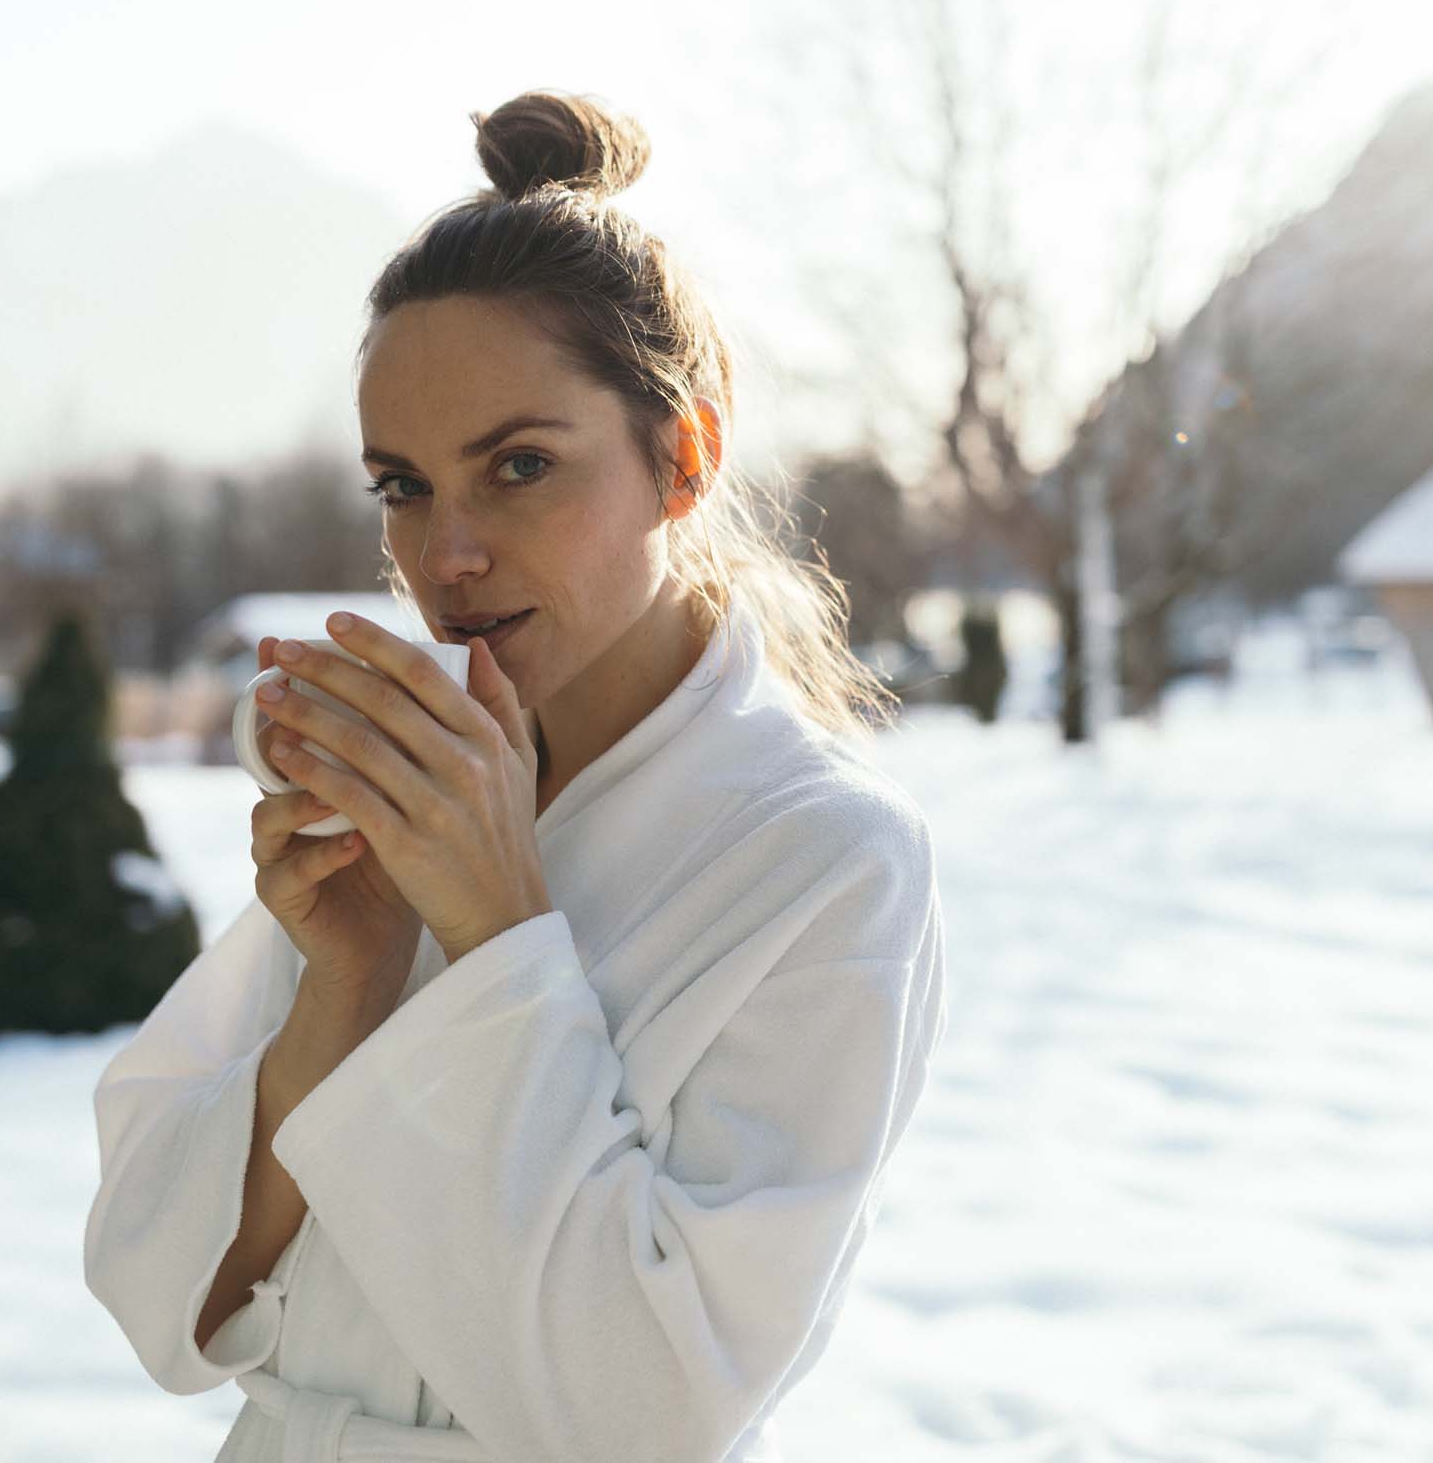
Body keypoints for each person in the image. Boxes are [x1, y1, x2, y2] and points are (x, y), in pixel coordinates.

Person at [82, 91, 947, 1463]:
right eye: (402, 486)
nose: (446, 555)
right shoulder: (409, 792)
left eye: (520, 467)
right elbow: (152, 1287)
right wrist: (347, 992)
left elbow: (655, 1408)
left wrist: (496, 940)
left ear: (685, 455)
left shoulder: (825, 864)